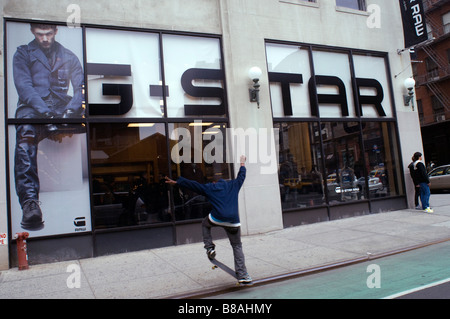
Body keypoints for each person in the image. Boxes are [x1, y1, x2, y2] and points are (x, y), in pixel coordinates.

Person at [13, 23, 84, 230]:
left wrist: (71, 110)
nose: (44, 38)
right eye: (40, 34)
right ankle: (29, 202)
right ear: (33, 32)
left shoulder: (69, 56)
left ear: (55, 32)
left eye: (48, 34)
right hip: (32, 108)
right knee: (24, 140)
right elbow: (23, 86)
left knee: (90, 120)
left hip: (63, 106)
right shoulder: (23, 53)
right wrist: (46, 113)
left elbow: (80, 88)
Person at [165, 155, 252, 284]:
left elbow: (194, 185)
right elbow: (241, 176)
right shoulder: (233, 185)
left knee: (205, 224)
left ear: (214, 182)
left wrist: (178, 182)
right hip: (233, 221)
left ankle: (209, 247)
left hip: (217, 218)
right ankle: (243, 275)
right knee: (237, 246)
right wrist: (242, 163)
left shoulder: (210, 188)